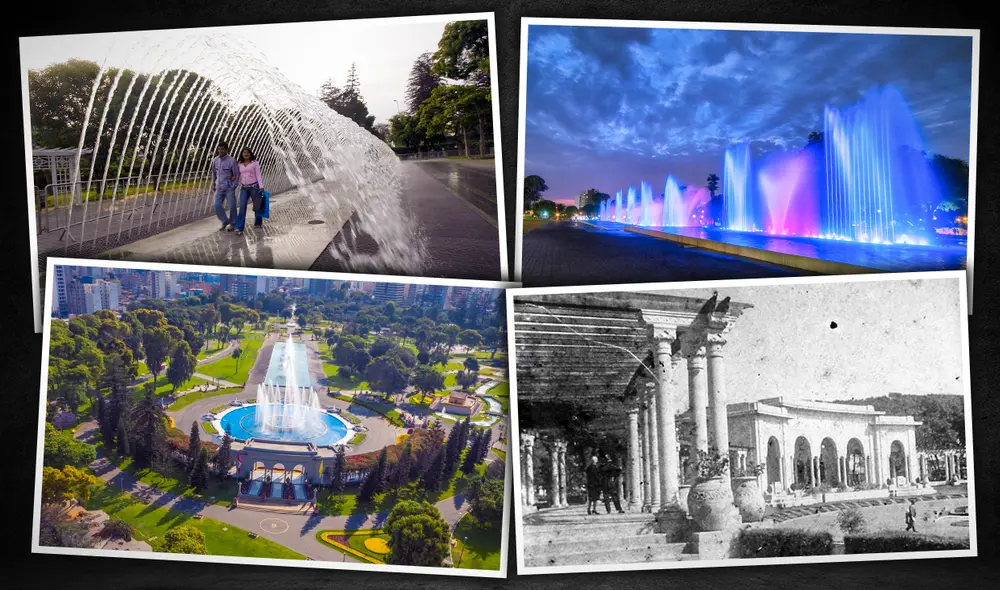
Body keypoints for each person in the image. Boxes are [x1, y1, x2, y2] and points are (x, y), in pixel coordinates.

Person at [234, 146, 265, 235]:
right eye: (244, 152)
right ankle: (239, 227)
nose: (246, 154)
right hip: (244, 188)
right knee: (242, 206)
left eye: (247, 152)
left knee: (257, 206)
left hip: (254, 187)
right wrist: (234, 183)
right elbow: (237, 174)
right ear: (242, 154)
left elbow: (258, 175)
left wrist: (261, 186)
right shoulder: (239, 163)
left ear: (250, 153)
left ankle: (258, 223)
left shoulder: (255, 163)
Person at [211, 141, 240, 231]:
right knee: (216, 205)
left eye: (222, 149)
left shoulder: (231, 161)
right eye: (219, 149)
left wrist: (233, 186)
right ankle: (224, 221)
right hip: (219, 187)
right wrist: (213, 183)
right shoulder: (215, 160)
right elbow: (214, 173)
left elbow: (236, 174)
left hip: (228, 188)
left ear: (227, 150)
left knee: (232, 206)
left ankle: (233, 224)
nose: (220, 151)